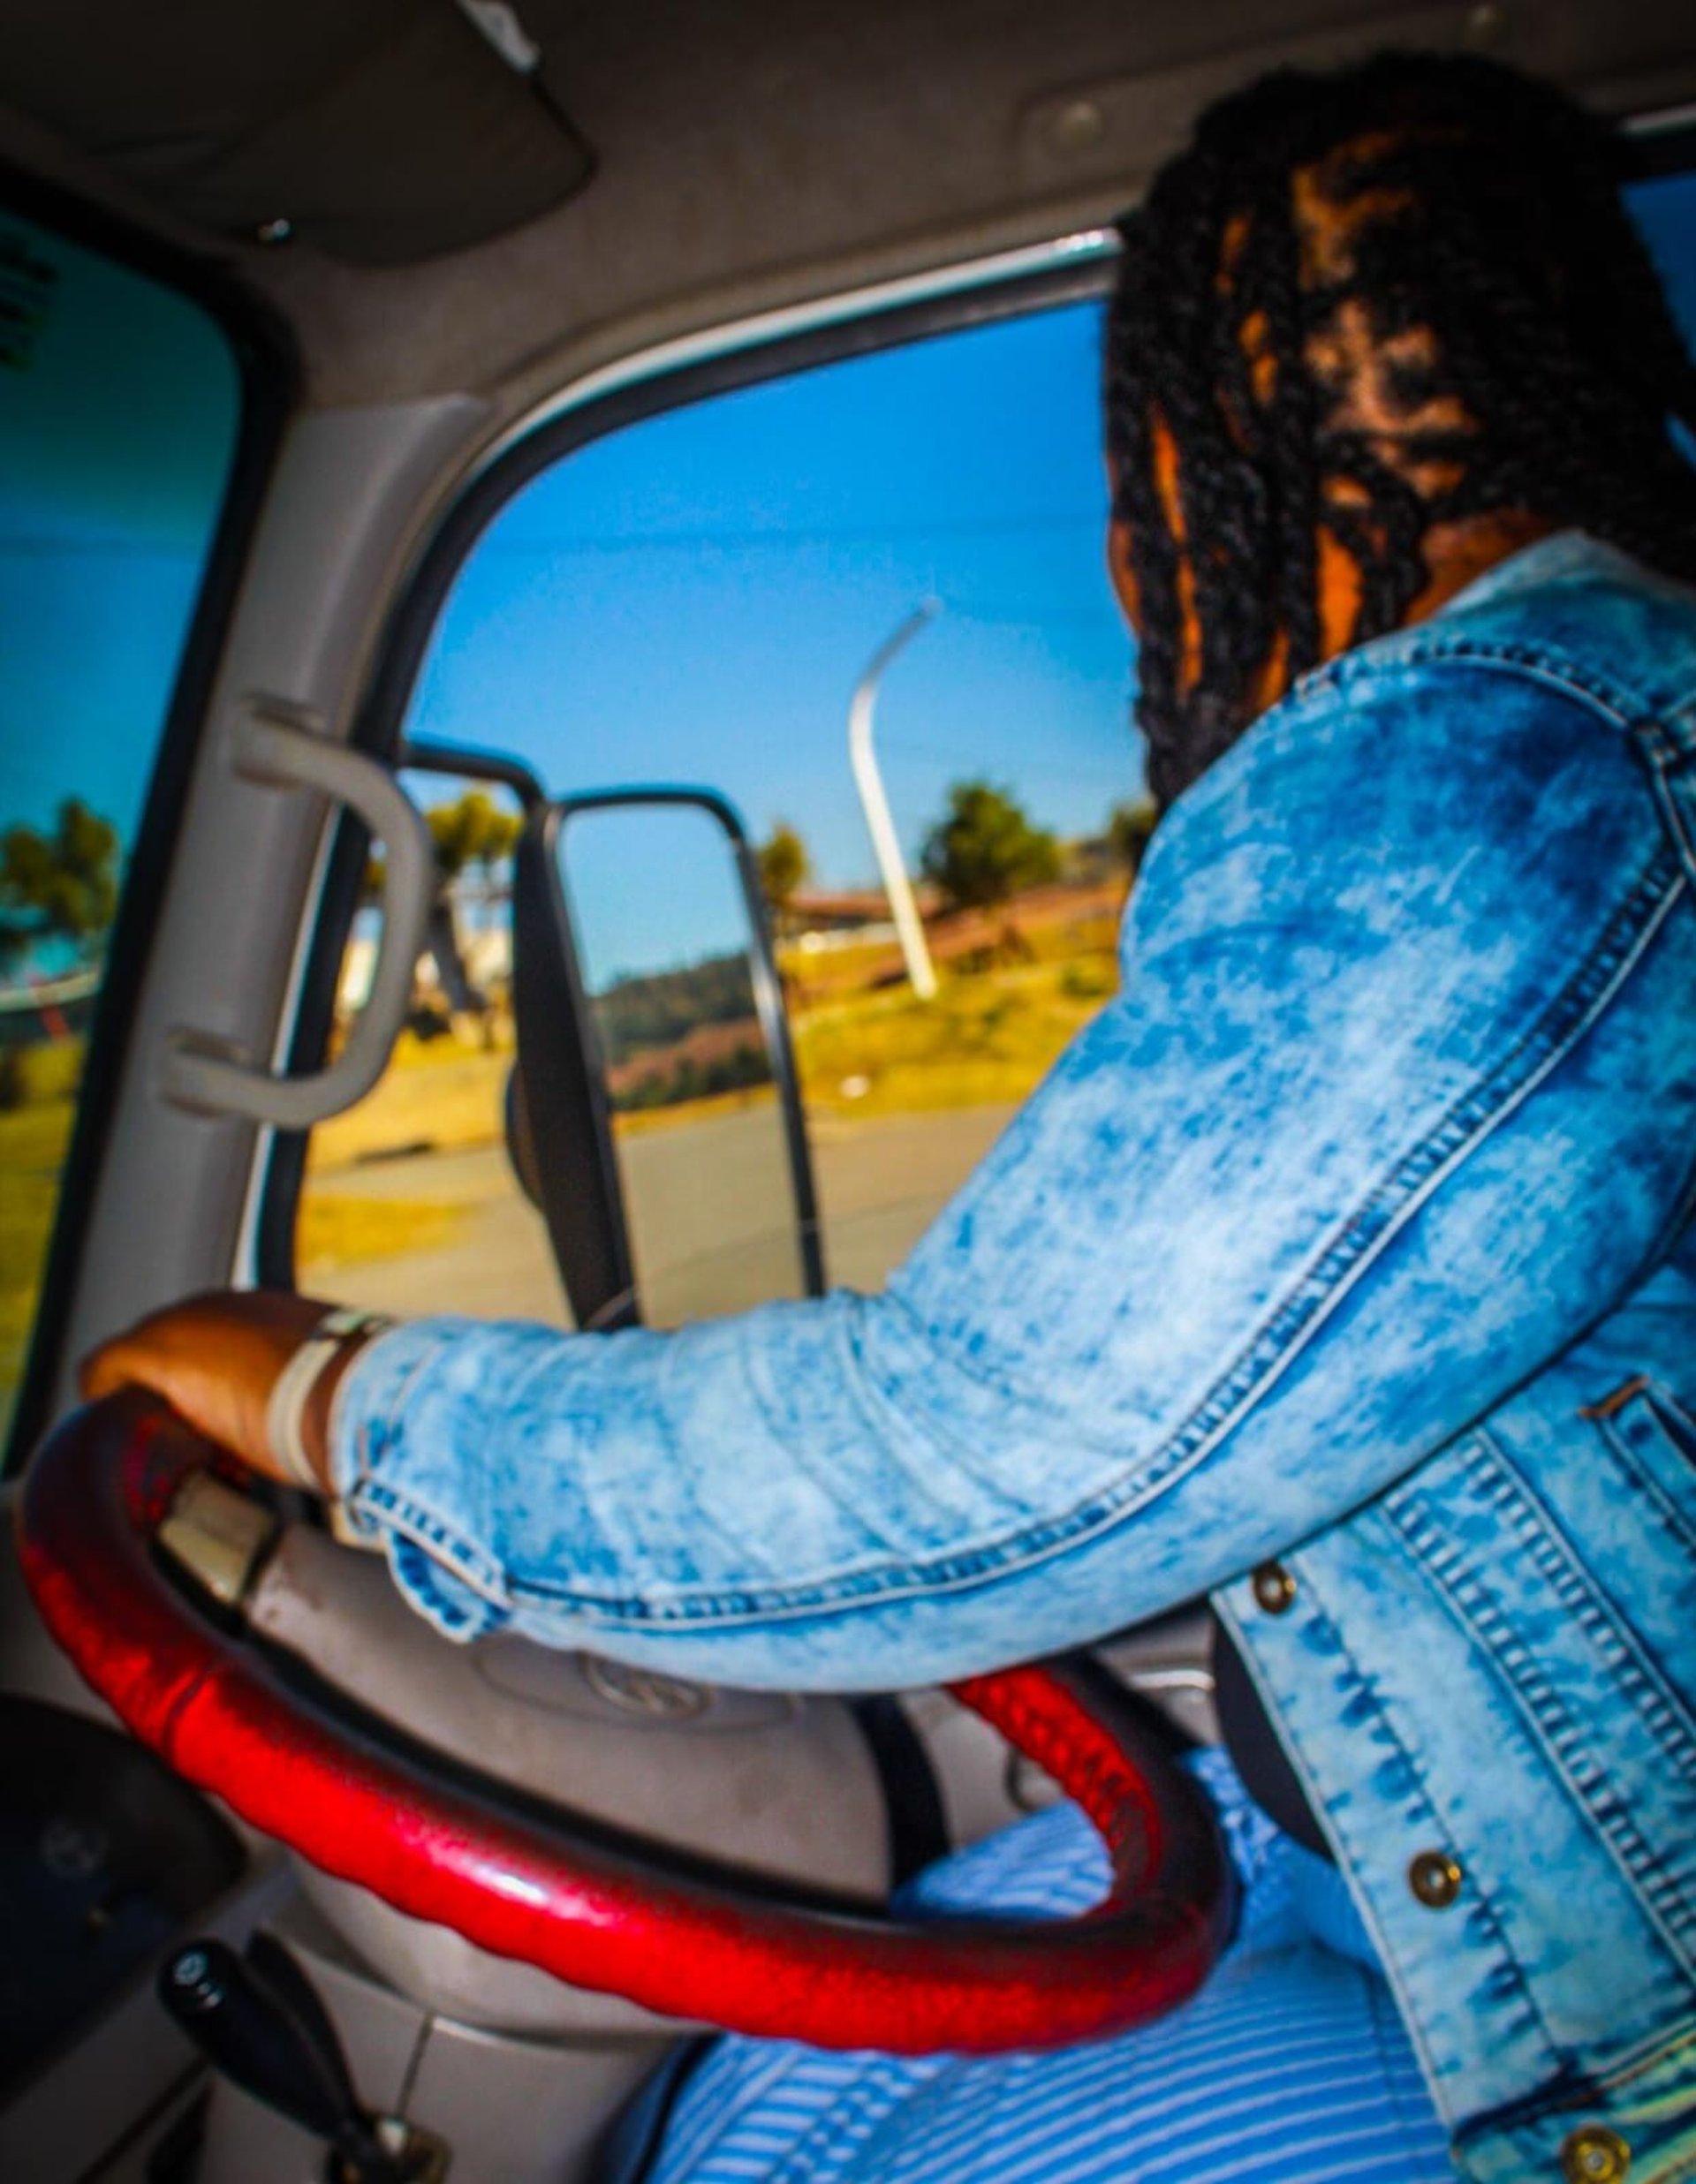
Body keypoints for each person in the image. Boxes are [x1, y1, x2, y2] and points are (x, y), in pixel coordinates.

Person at [83, 51, 1696, 2184]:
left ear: (1174, 498)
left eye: (1131, 508)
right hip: (1458, 1858)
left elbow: (993, 1454)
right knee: (788, 2075)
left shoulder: (1499, 749)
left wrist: (338, 1403)